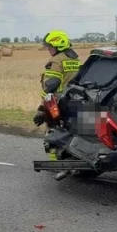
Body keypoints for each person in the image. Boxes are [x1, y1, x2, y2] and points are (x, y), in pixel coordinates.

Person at [32, 30, 82, 160]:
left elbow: (50, 86)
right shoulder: (75, 59)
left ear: (58, 45)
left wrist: (42, 109)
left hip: (58, 103)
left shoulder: (55, 61)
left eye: (50, 46)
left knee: (53, 131)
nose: (48, 49)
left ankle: (55, 160)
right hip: (76, 101)